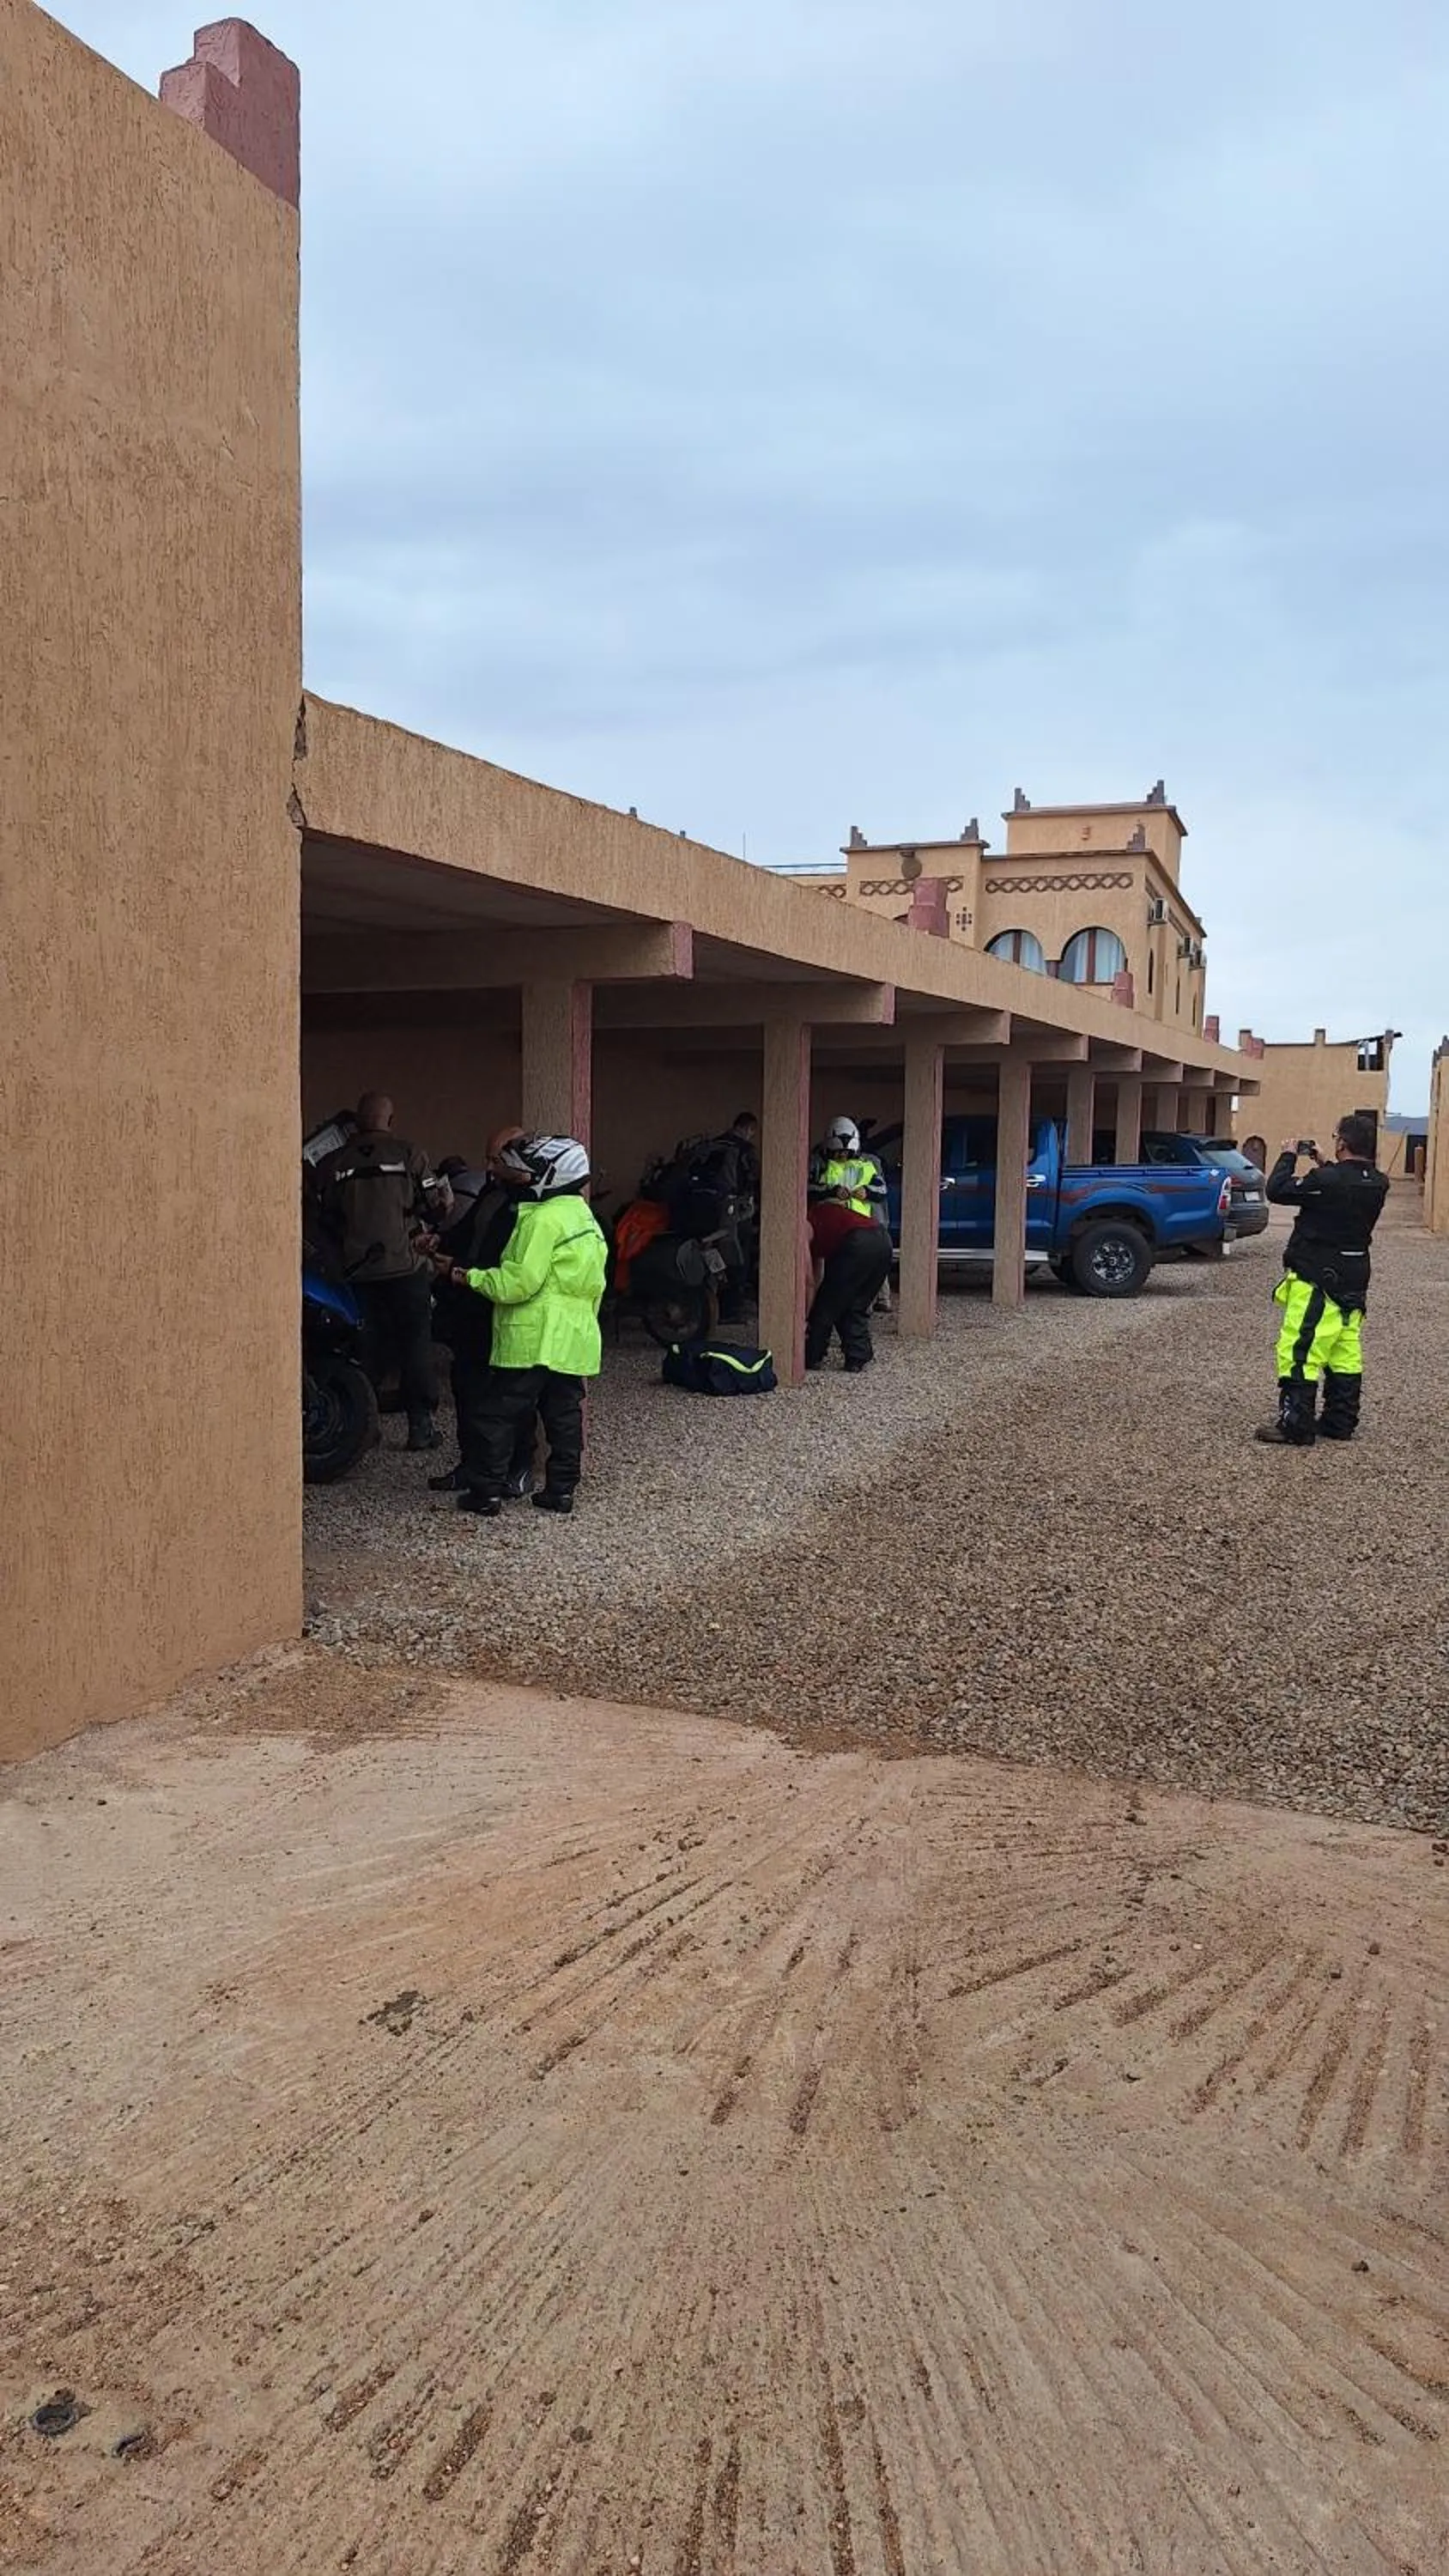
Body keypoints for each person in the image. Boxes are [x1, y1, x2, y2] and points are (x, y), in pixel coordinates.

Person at [433, 1134, 607, 1517]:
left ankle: (487, 1492)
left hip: (532, 1338)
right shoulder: (584, 1217)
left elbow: (518, 1284)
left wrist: (468, 1277)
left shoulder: (542, 1219)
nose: (523, 1178)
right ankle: (560, 1491)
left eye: (529, 1172)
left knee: (495, 1414)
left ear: (552, 1174)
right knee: (563, 1416)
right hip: (572, 1340)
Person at [315, 1092, 442, 1450]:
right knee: (415, 1344)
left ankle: (365, 1428)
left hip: (357, 1271)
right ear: (391, 1119)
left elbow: (325, 1218)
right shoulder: (409, 1154)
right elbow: (437, 1205)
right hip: (405, 1266)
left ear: (356, 1122)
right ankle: (420, 1426)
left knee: (367, 1348)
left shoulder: (332, 1162)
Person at [1256, 1114, 1389, 1447]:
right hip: (1356, 1274)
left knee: (1300, 1348)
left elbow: (1277, 1190)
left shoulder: (1326, 1180)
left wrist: (1288, 1155)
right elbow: (1346, 1181)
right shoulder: (1378, 1182)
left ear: (1342, 1142)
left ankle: (1295, 1425)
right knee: (1345, 1349)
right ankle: (1340, 1421)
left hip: (1318, 1274)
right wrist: (1324, 1160)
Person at [427, 1126, 538, 1498]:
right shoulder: (494, 1190)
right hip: (470, 1301)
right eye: (488, 1159)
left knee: (509, 1394)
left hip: (502, 1304)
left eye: (496, 1159)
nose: (488, 1166)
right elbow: (468, 1230)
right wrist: (440, 1241)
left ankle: (519, 1467)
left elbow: (507, 1260)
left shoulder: (532, 1203)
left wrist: (458, 1266)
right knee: (468, 1387)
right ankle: (472, 1464)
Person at [805, 1195, 894, 1372]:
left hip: (856, 1243)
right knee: (856, 1304)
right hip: (883, 1240)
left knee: (827, 1304)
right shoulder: (828, 1214)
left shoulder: (806, 1223)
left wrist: (806, 1313)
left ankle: (810, 1356)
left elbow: (810, 1279)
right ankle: (857, 1356)